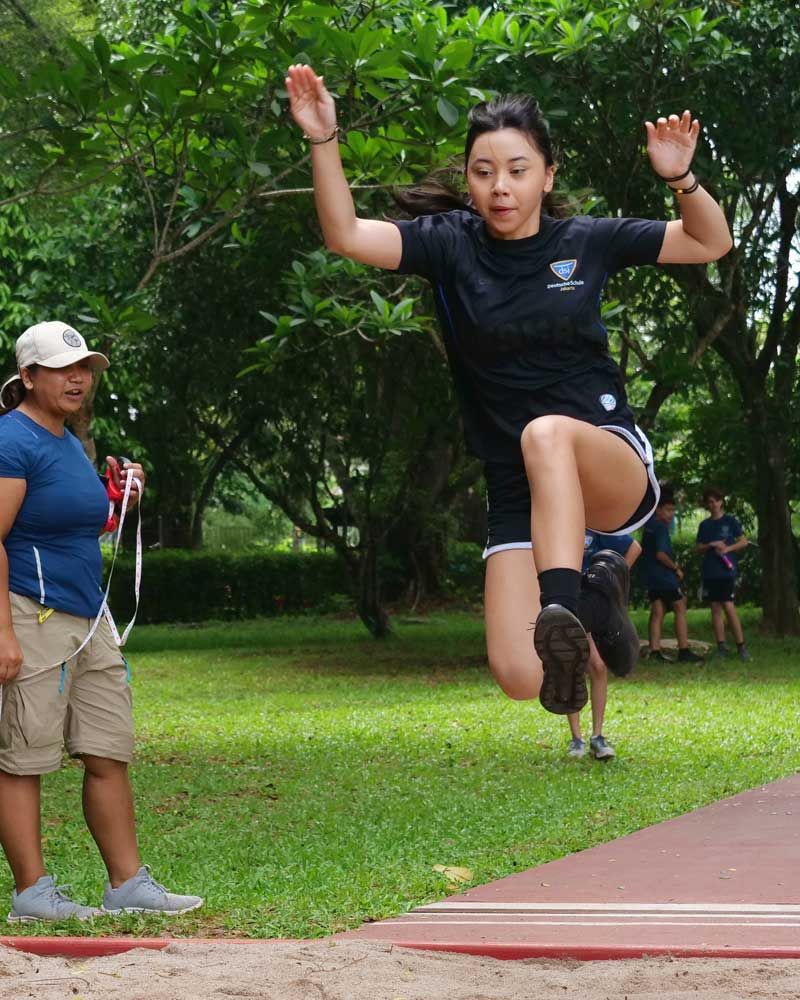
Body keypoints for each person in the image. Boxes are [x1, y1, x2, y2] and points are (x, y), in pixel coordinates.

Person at [285, 65, 731, 713]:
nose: (501, 187)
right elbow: (346, 235)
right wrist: (323, 140)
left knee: (544, 433)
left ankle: (570, 606)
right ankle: (598, 593)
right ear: (467, 181)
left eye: (518, 170)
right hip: (515, 483)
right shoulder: (449, 247)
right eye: (483, 171)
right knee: (522, 678)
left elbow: (708, 241)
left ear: (547, 176)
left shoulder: (586, 241)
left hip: (603, 461)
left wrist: (681, 179)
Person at [0, 321, 203, 923]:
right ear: (29, 376)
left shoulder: (69, 441)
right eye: (64, 368)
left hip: (89, 617)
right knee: (24, 755)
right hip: (30, 613)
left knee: (107, 750)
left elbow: (71, 528)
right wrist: (3, 632)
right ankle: (32, 893)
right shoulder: (12, 439)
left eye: (84, 367)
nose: (78, 378)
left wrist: (119, 503)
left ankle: (127, 884)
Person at [566, 531, 641, 761]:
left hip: (592, 604)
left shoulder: (600, 525)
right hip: (568, 599)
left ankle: (597, 737)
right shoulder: (563, 520)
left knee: (597, 666)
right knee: (573, 664)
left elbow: (634, 547)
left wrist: (614, 582)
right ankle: (576, 739)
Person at [641, 486, 704, 663]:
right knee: (680, 607)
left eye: (673, 511)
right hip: (664, 577)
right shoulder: (660, 528)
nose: (671, 515)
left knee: (658, 611)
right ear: (658, 510)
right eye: (668, 510)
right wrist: (676, 568)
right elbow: (661, 555)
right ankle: (684, 650)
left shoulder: (649, 527)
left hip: (651, 577)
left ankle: (655, 651)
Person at [696, 487, 750, 661]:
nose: (713, 505)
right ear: (706, 504)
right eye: (709, 502)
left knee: (728, 605)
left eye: (715, 501)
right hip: (710, 571)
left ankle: (741, 646)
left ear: (721, 501)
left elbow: (743, 541)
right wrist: (711, 544)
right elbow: (698, 548)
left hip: (727, 571)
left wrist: (727, 548)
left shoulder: (730, 521)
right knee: (715, 608)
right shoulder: (704, 525)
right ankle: (721, 647)